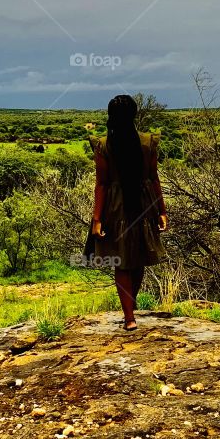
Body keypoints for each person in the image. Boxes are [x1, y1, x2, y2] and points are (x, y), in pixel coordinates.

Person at [89, 94, 168, 330]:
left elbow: (101, 183)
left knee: (122, 261)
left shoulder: (103, 145)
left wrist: (97, 218)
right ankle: (130, 313)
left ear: (110, 116)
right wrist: (161, 210)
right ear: (134, 114)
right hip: (144, 202)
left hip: (115, 205)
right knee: (138, 258)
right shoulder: (147, 142)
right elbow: (153, 177)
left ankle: (129, 317)